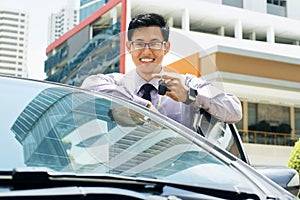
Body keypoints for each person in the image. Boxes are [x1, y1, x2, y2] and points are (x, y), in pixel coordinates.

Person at [81, 13, 242, 129]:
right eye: (139, 43)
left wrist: (190, 96)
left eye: (155, 43)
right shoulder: (118, 83)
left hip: (174, 173)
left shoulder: (186, 84)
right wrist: (142, 107)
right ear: (129, 47)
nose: (146, 51)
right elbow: (89, 85)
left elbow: (234, 110)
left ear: (166, 47)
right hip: (125, 173)